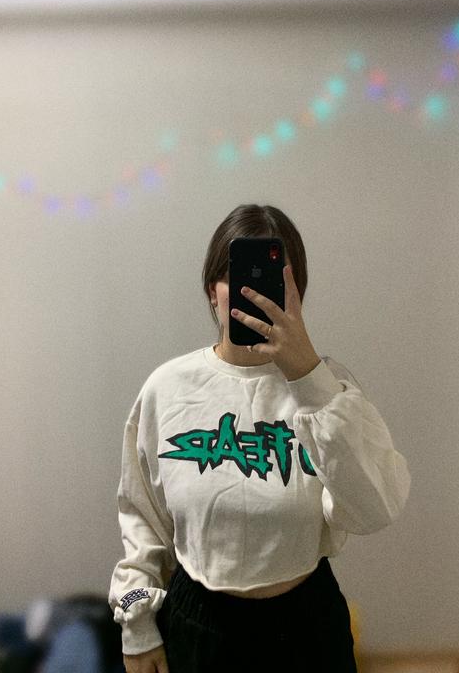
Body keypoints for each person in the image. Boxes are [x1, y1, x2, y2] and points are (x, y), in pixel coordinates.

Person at [108, 203, 411, 673]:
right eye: (235, 279)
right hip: (198, 623)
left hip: (306, 625)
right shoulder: (167, 389)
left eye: (273, 283)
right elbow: (142, 520)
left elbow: (375, 508)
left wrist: (308, 377)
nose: (252, 294)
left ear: (298, 295)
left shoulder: (329, 391)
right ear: (212, 292)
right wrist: (136, 627)